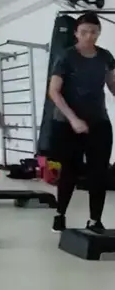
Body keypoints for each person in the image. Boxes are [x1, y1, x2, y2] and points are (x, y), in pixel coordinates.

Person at [48, 12, 114, 233]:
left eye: (93, 32)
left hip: (98, 120)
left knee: (99, 172)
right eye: (84, 32)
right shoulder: (66, 57)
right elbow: (54, 92)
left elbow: (112, 84)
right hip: (68, 122)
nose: (89, 36)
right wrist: (73, 119)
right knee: (70, 170)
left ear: (99, 33)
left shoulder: (105, 56)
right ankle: (60, 214)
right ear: (76, 33)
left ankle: (95, 220)